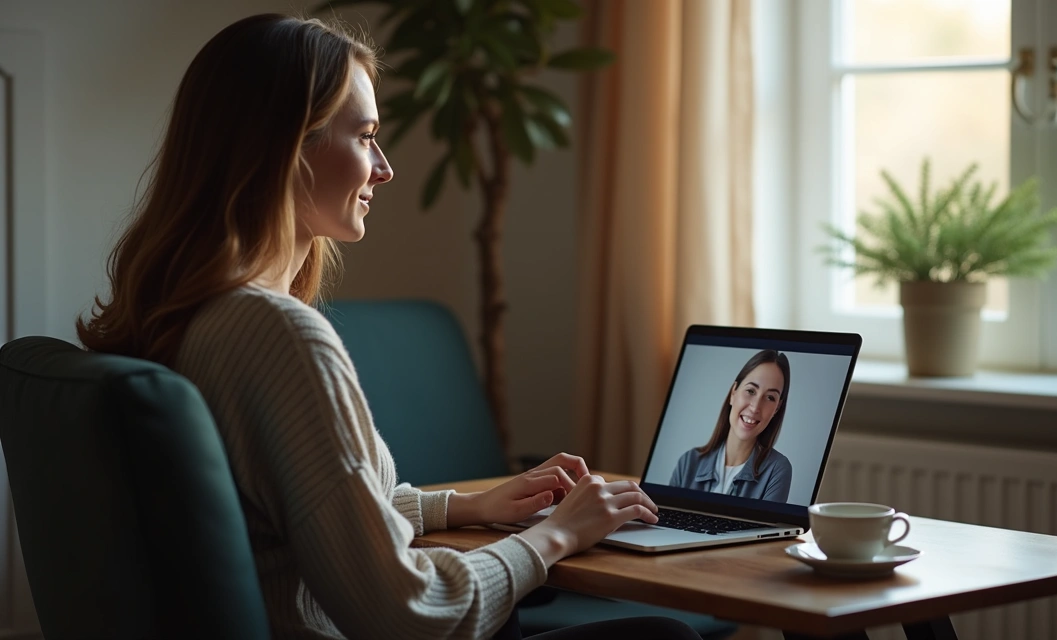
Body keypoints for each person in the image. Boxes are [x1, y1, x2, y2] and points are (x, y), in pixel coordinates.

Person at [77, 13, 701, 640]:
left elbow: (298, 515)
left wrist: (464, 506)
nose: (384, 168)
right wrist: (558, 533)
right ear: (288, 147)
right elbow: (409, 616)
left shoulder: (192, 315)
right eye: (366, 136)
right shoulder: (279, 336)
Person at [669, 350, 794, 502]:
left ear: (777, 408)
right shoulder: (688, 463)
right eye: (750, 391)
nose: (755, 407)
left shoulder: (777, 470)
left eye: (770, 397)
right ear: (733, 393)